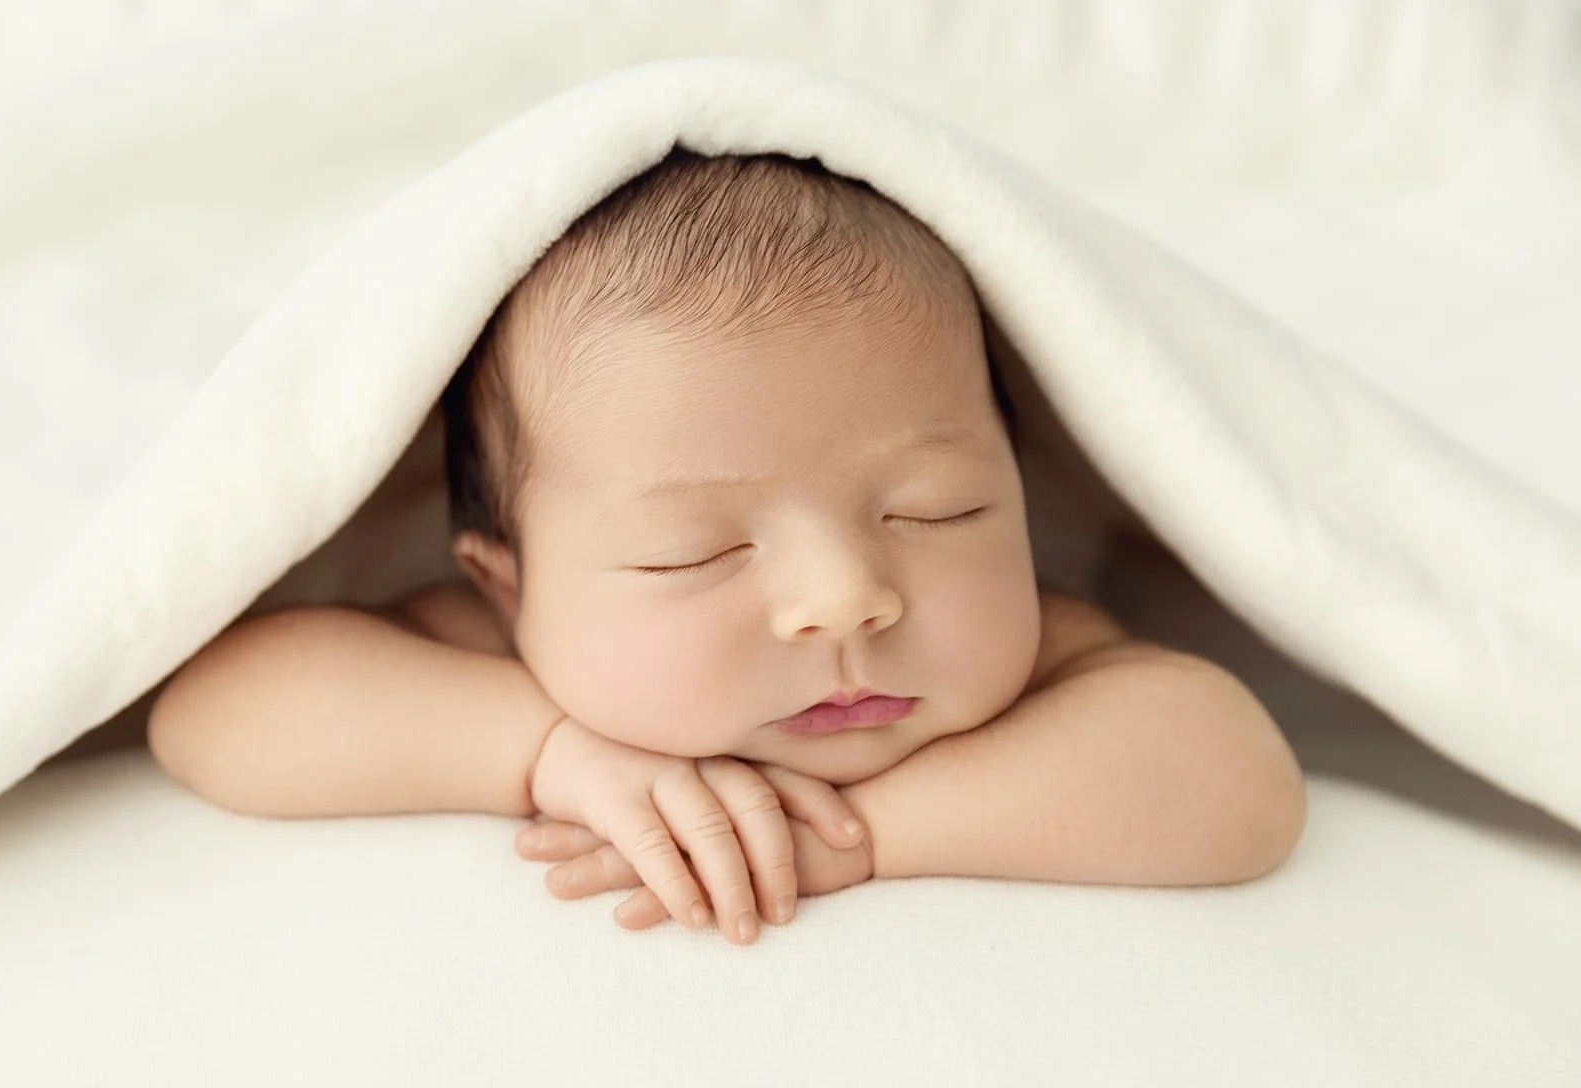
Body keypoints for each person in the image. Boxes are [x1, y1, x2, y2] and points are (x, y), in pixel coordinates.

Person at [146, 151, 1306, 947]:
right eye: (691, 552)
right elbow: (210, 709)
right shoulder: (493, 662)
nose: (846, 598)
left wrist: (861, 841)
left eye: (936, 510)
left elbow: (1236, 784)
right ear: (509, 591)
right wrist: (546, 752)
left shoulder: (1045, 664)